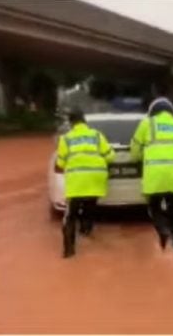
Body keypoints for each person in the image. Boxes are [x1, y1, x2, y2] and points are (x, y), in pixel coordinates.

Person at [129, 97, 173, 251]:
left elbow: (135, 149)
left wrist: (137, 158)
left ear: (152, 111)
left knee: (154, 206)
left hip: (156, 171)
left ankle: (163, 231)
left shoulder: (147, 123)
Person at [55, 109, 114, 258]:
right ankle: (86, 231)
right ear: (84, 121)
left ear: (70, 123)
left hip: (76, 182)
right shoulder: (97, 135)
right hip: (96, 179)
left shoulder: (66, 139)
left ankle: (69, 251)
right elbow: (110, 156)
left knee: (70, 216)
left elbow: (60, 163)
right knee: (89, 206)